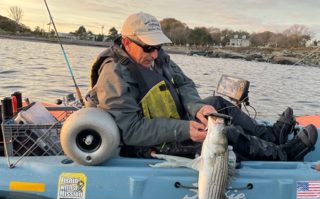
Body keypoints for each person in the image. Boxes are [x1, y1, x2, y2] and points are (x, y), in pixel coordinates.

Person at [85, 12, 318, 161]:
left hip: (173, 119)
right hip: (149, 144)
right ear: (126, 42)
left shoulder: (158, 57)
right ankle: (284, 155)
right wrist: (184, 129)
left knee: (218, 105)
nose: (155, 53)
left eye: (158, 46)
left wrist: (196, 107)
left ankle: (272, 136)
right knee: (223, 133)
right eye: (148, 48)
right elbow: (131, 130)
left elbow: (184, 83)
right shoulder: (114, 74)